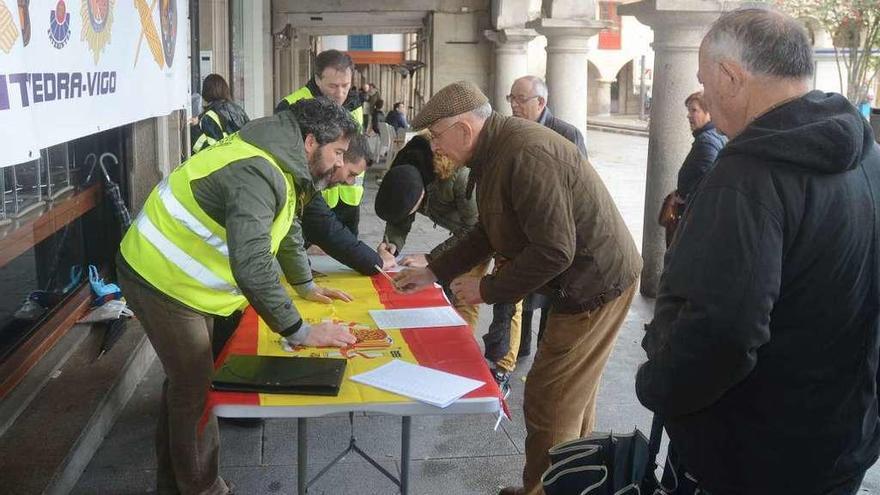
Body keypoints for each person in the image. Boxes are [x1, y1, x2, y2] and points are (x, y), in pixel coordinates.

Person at [636, 8, 880, 495]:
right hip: (841, 439)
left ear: (731, 77)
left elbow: (724, 330)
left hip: (754, 451)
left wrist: (656, 382)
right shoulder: (869, 157)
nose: (702, 94)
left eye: (705, 80)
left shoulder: (747, 177)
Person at [394, 81, 642, 495]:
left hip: (594, 284)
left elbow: (554, 251)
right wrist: (434, 271)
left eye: (436, 136)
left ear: (463, 130)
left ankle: (542, 490)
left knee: (551, 398)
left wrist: (486, 289)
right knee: (570, 396)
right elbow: (488, 230)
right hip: (583, 280)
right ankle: (567, 484)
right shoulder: (495, 152)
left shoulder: (523, 153)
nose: (435, 147)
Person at [117, 97, 360, 495]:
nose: (339, 164)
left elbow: (285, 228)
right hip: (159, 279)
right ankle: (203, 487)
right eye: (338, 152)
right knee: (194, 388)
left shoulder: (280, 163)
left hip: (184, 285)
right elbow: (252, 263)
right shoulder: (258, 171)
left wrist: (305, 285)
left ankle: (173, 485)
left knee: (183, 384)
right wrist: (299, 330)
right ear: (312, 141)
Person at [503, 75, 589, 360]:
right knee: (524, 296)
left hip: (554, 230)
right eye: (511, 98)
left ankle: (543, 351)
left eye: (520, 99)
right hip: (523, 229)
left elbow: (581, 184)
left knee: (552, 297)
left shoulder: (567, 133)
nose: (514, 105)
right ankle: (519, 349)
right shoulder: (512, 131)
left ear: (541, 102)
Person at [373, 134, 485, 331]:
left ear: (422, 194)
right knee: (448, 282)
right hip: (466, 227)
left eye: (413, 209)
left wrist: (431, 257)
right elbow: (401, 213)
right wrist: (391, 246)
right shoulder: (406, 168)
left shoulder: (459, 175)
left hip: (488, 232)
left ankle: (479, 356)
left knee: (465, 294)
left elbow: (474, 228)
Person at [276, 50, 365, 237]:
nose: (340, 93)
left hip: (349, 199)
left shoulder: (354, 103)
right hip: (313, 202)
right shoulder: (292, 104)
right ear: (317, 79)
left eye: (345, 85)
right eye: (333, 86)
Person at [302, 133, 396, 274]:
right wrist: (377, 262)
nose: (350, 182)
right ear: (338, 157)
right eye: (351, 174)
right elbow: (325, 227)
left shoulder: (305, 176)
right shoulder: (302, 179)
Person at [659, 91, 727, 246]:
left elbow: (708, 183)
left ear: (708, 112)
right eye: (689, 111)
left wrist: (683, 197)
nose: (689, 116)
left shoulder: (706, 142)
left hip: (693, 220)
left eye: (694, 110)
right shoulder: (717, 136)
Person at [191, 74, 249, 154]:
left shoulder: (210, 116)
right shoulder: (238, 110)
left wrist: (195, 129)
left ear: (206, 91)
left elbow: (210, 151)